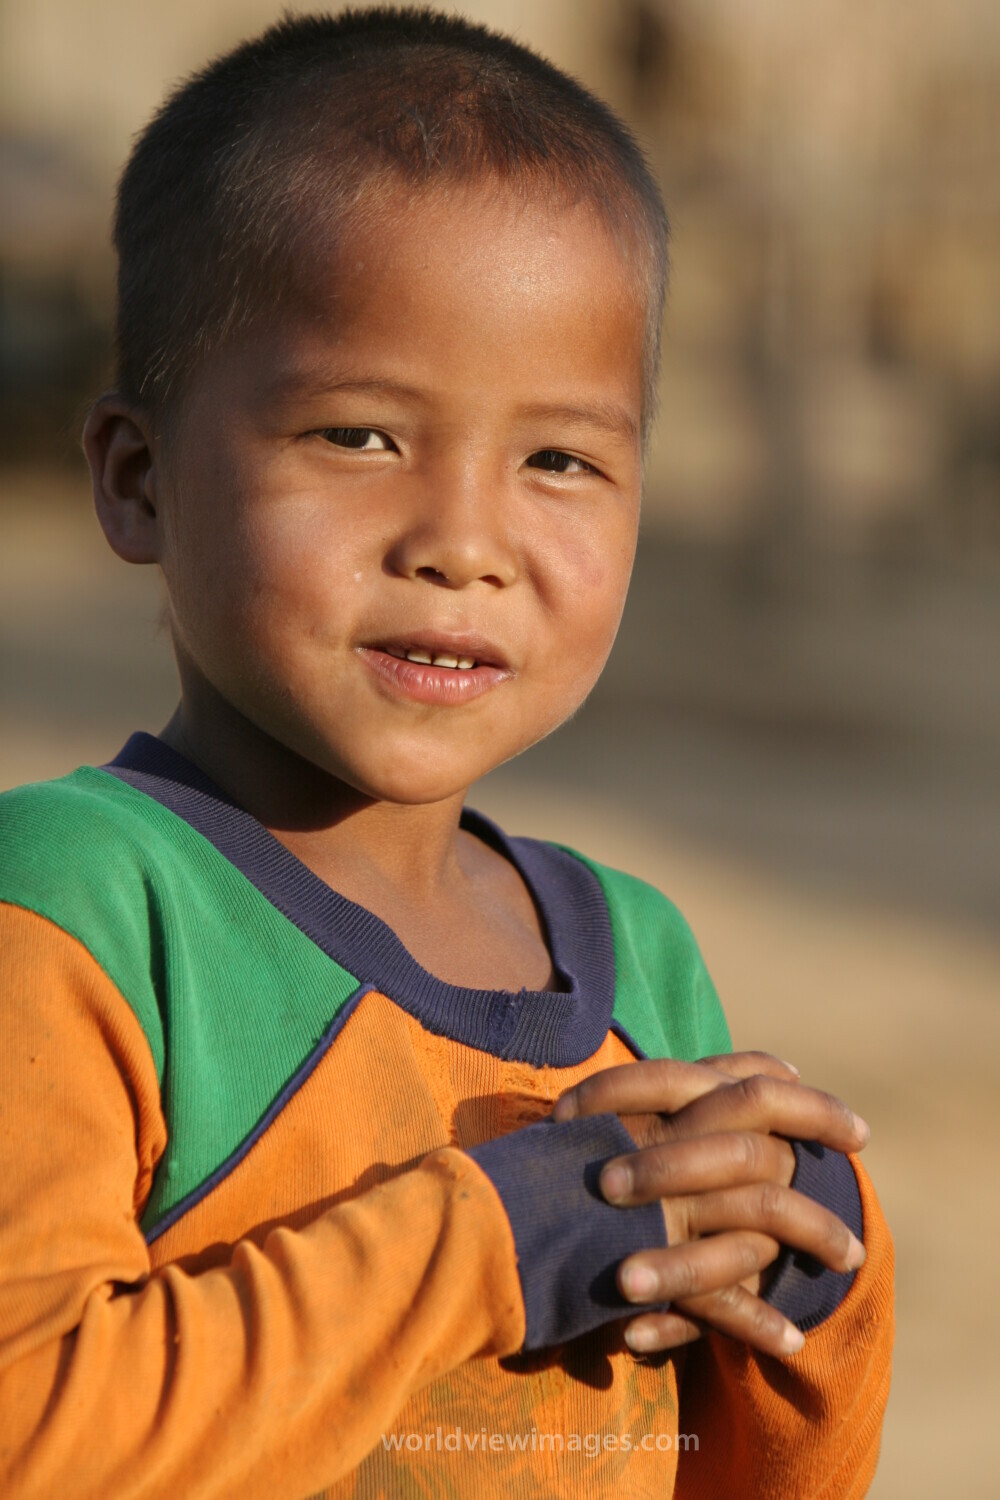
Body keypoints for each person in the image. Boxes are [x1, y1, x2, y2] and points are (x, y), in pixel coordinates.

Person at [0, 9, 893, 1497]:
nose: (463, 544)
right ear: (139, 479)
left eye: (559, 459)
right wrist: (493, 1239)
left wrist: (810, 1283)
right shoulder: (79, 906)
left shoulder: (641, 960)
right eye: (359, 437)